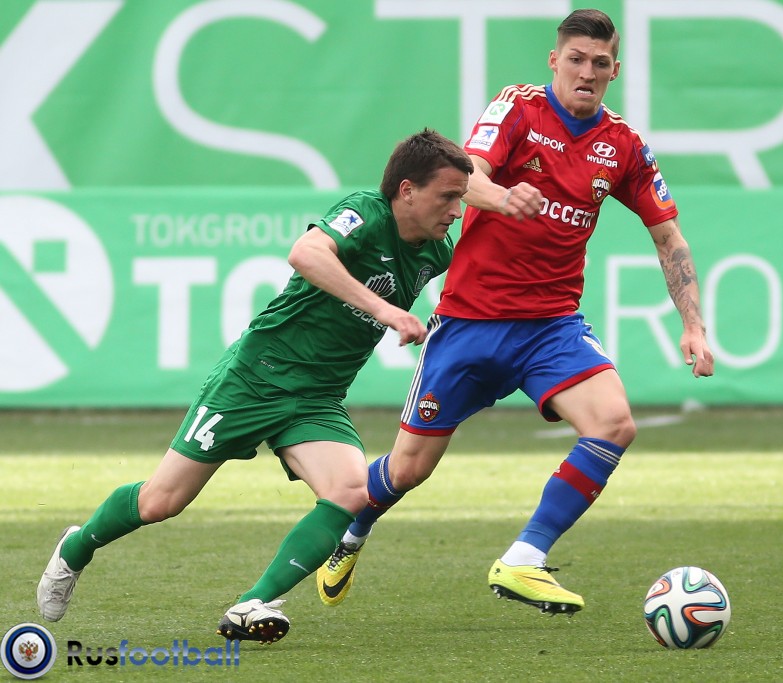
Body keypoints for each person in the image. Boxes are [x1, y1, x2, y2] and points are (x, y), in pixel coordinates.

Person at [316, 9, 714, 616]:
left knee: (614, 423)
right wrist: (504, 198)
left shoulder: (624, 146)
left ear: (615, 70)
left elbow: (669, 237)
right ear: (555, 61)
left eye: (599, 63)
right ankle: (351, 533)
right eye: (575, 60)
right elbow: (465, 175)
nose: (586, 73)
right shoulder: (517, 109)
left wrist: (693, 325)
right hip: (471, 323)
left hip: (551, 326)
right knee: (408, 469)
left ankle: (525, 557)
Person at [36, 129, 474, 643]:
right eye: (447, 196)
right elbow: (306, 253)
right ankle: (76, 547)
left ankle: (252, 603)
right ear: (407, 190)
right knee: (161, 502)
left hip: (317, 398)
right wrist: (384, 309)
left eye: (461, 198)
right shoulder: (366, 213)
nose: (456, 211)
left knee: (351, 491)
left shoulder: (436, 252)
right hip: (254, 377)